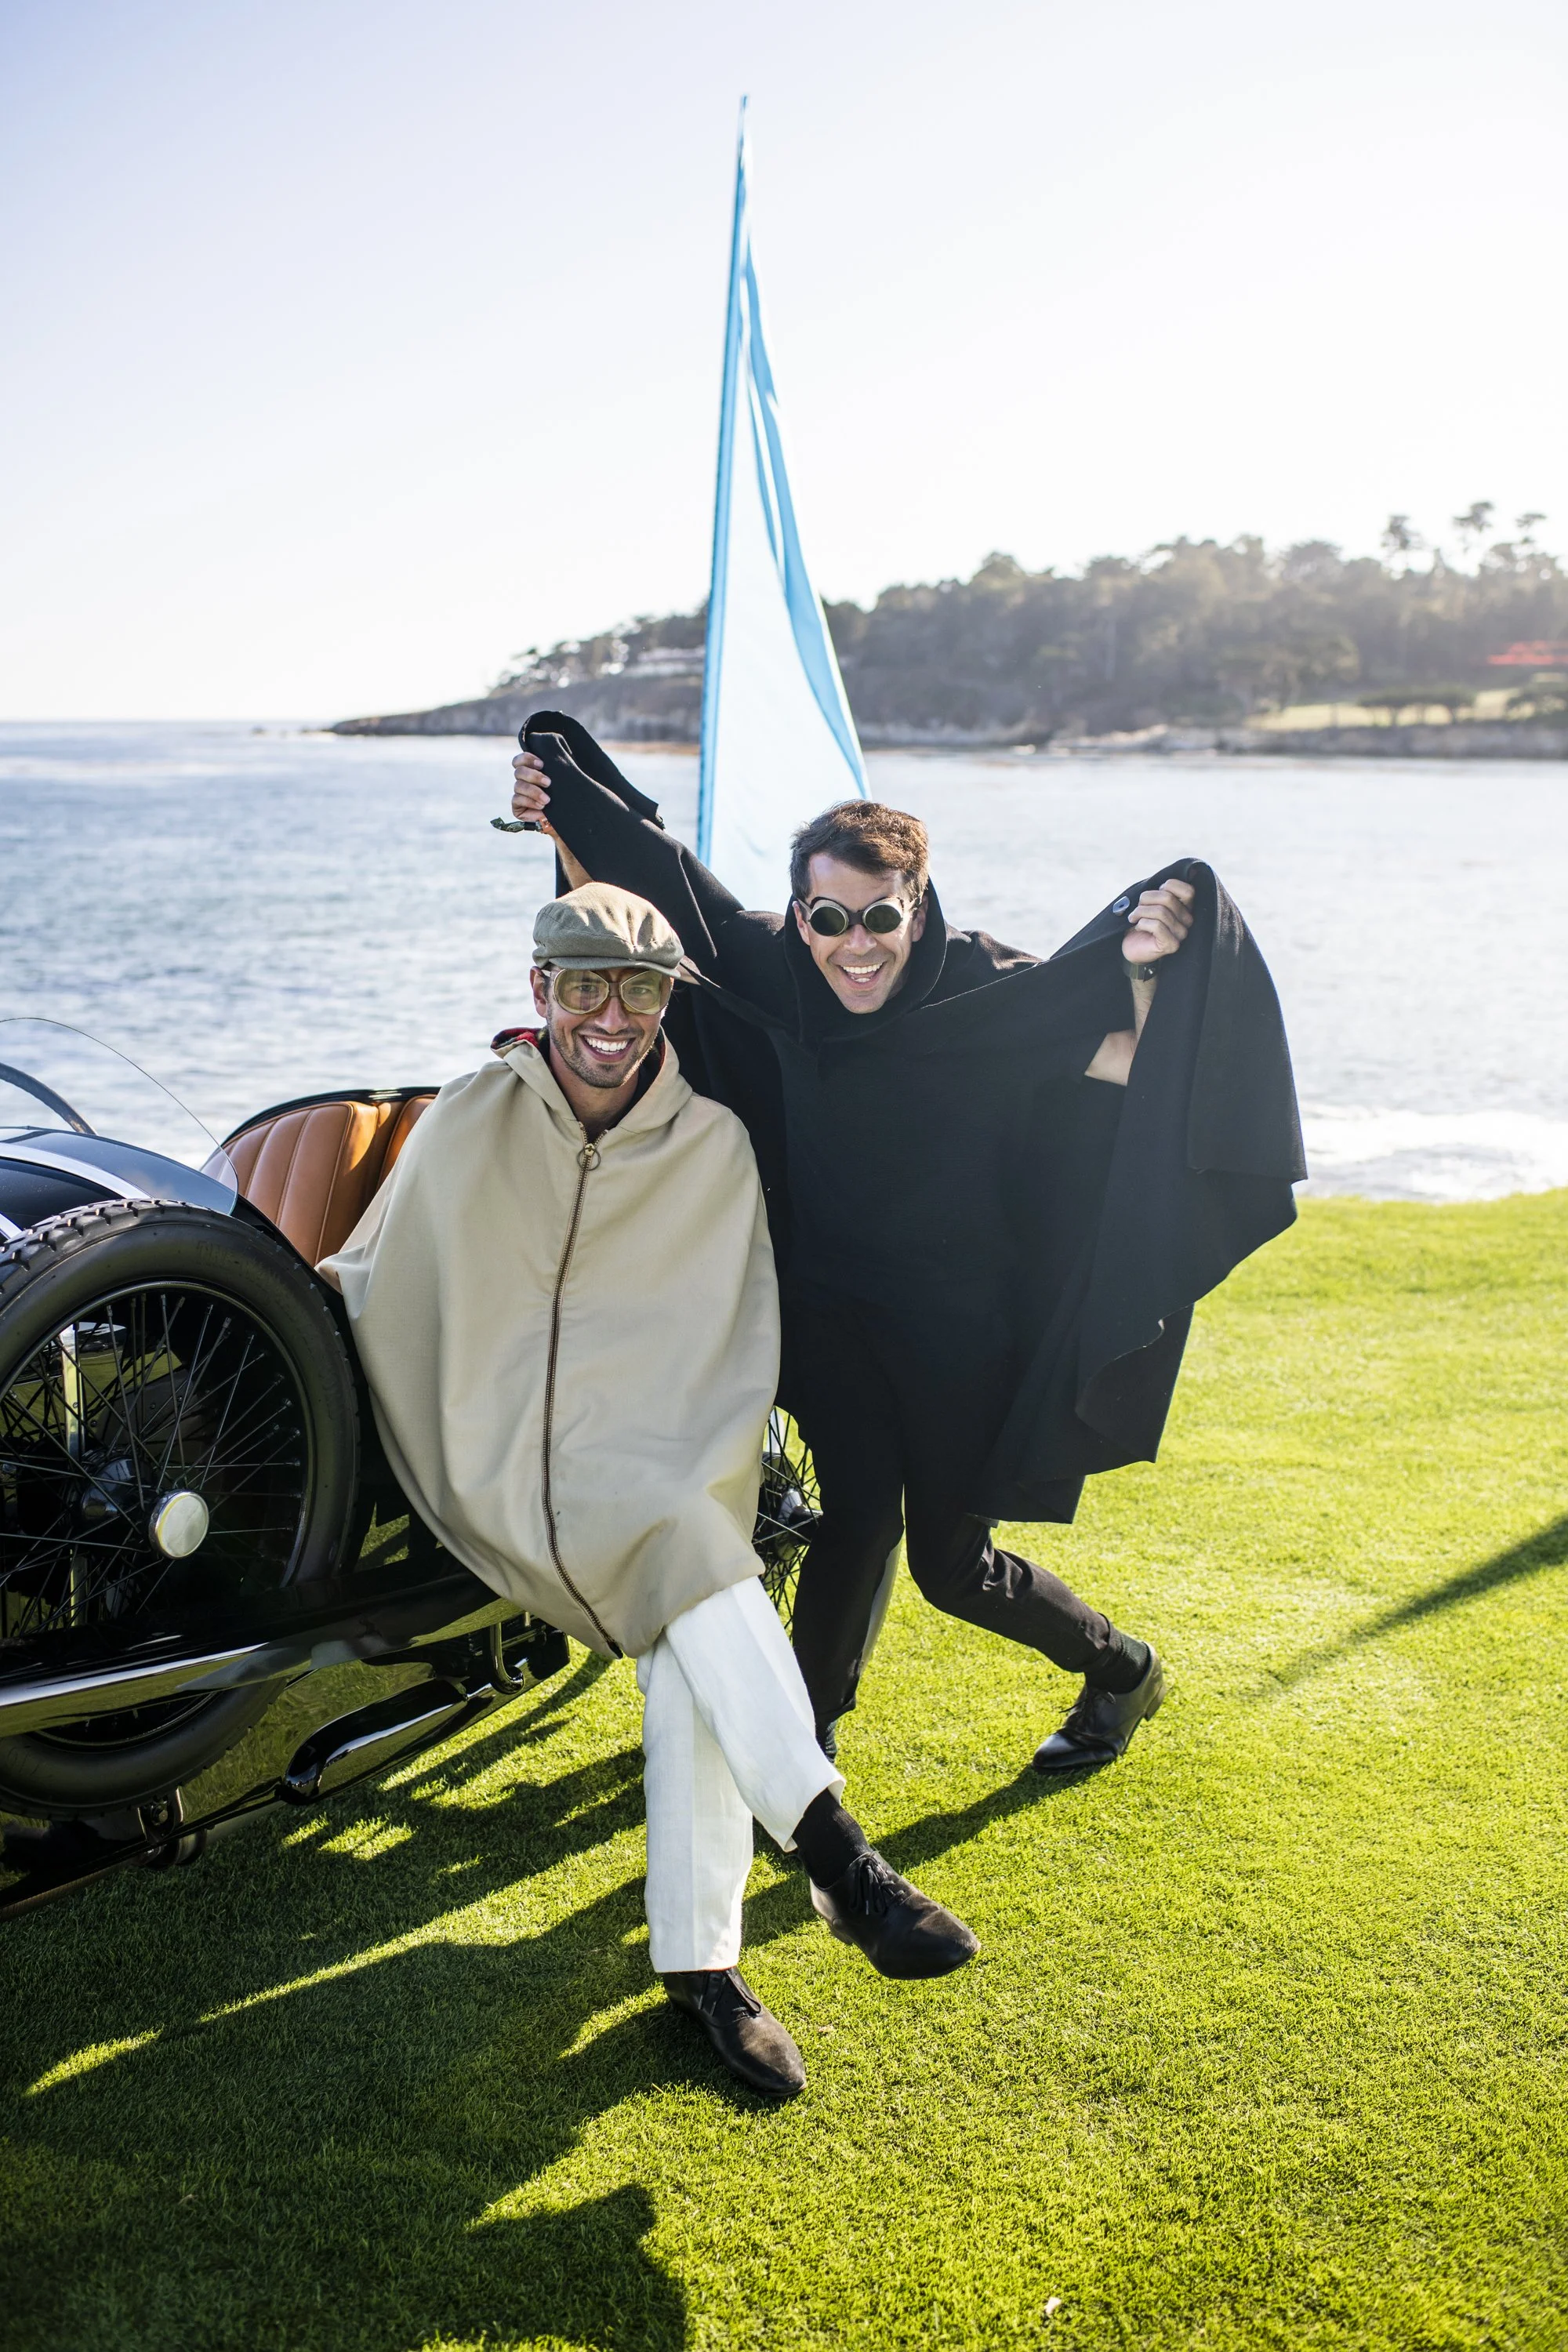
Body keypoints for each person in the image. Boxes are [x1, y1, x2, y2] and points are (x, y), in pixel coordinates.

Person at [507, 720, 1305, 1772]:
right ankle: (802, 1742)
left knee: (950, 1565)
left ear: (914, 906)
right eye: (830, 918)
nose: (856, 945)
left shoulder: (986, 988)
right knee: (849, 1523)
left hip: (959, 1329)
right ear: (802, 913)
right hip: (831, 1314)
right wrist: (561, 801)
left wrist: (1149, 971)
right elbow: (666, 886)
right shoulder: (780, 966)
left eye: (879, 917)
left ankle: (1122, 1670)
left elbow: (1144, 1073)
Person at [319, 881, 976, 2101]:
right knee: (697, 1559)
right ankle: (834, 1865)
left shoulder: (711, 1146)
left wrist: (678, 1459)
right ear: (541, 993)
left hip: (653, 1465)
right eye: (582, 987)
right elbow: (376, 1274)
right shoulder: (469, 1119)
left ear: (668, 999)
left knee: (691, 1561)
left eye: (637, 989)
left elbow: (727, 1344)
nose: (608, 1016)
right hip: (492, 1461)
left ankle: (712, 1964)